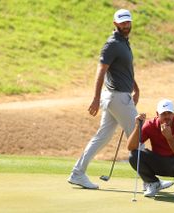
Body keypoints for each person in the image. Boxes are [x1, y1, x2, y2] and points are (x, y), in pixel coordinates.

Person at [68, 9, 139, 189]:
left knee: (102, 137)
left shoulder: (123, 43)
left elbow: (123, 70)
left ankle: (77, 173)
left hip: (118, 96)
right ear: (115, 24)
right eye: (122, 22)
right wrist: (95, 98)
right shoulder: (112, 44)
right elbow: (102, 70)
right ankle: (150, 181)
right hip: (118, 97)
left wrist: (136, 87)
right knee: (138, 134)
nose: (126, 25)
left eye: (128, 22)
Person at [127, 99, 174, 198]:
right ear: (157, 114)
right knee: (133, 156)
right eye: (163, 114)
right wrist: (137, 127)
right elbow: (131, 147)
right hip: (157, 162)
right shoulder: (150, 125)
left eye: (169, 113)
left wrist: (169, 138)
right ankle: (153, 183)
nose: (167, 116)